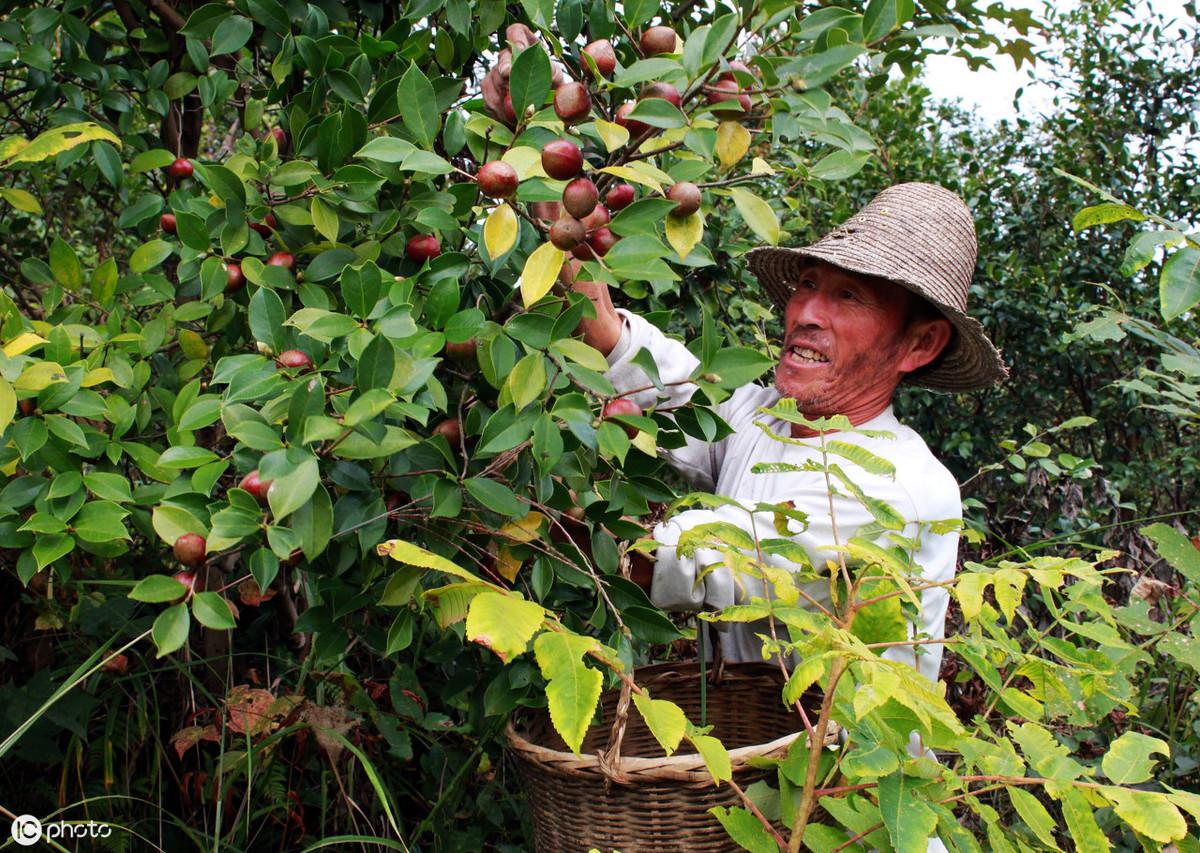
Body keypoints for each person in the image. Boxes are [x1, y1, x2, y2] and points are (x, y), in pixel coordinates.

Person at [564, 182, 1008, 685]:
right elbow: (666, 384)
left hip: (839, 759)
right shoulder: (767, 418)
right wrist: (555, 211)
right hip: (745, 741)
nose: (805, 314)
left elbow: (692, 562)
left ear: (921, 344)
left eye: (848, 296)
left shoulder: (893, 487)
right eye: (809, 284)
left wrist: (535, 529)